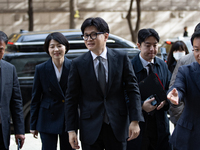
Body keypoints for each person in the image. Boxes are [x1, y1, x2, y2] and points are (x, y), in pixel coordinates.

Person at [65, 17, 144, 150]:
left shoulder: (121, 58)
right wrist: (71, 130)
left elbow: (133, 90)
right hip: (90, 127)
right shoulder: (78, 64)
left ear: (106, 36)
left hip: (117, 125)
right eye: (85, 35)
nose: (89, 39)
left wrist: (135, 120)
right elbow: (71, 99)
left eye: (93, 34)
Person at [30, 32, 77, 150]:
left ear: (65, 47)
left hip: (68, 117)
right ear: (48, 49)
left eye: (59, 45)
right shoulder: (41, 69)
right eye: (52, 46)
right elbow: (36, 98)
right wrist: (33, 124)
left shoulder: (74, 66)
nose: (56, 49)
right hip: (46, 117)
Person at [127, 28, 172, 150]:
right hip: (138, 126)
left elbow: (169, 87)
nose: (152, 49)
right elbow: (122, 96)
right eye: (147, 45)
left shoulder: (162, 65)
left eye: (155, 45)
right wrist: (141, 105)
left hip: (160, 126)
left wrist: (166, 100)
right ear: (138, 46)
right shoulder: (129, 67)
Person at [167, 31, 200, 150]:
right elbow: (178, 87)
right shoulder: (186, 71)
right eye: (196, 50)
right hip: (189, 136)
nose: (199, 54)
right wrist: (176, 95)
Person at [0, 31, 25, 149]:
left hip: (2, 129)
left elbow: (16, 102)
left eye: (1, 49)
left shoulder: (9, 69)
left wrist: (19, 130)